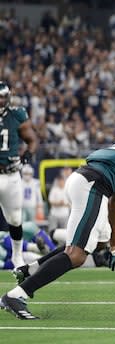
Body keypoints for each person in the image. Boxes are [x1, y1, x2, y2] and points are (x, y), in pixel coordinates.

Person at [0, 99, 115, 320]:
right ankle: (16, 295)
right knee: (77, 255)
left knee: (98, 241)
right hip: (93, 185)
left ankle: (30, 269)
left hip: (87, 181)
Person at [0, 81, 38, 268]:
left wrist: (27, 155)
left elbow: (31, 139)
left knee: (15, 218)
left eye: (2, 97)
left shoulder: (16, 114)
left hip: (10, 174)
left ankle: (17, 256)